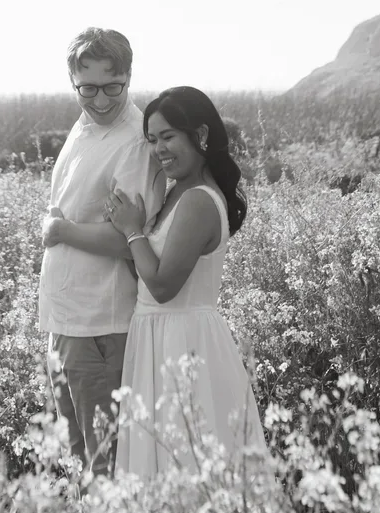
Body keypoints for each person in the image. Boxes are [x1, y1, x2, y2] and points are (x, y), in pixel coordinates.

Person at [104, 85, 266, 478]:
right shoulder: (179, 191)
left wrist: (131, 231)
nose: (159, 149)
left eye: (169, 137)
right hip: (160, 335)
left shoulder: (197, 200)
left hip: (182, 342)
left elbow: (162, 286)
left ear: (202, 136)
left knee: (187, 461)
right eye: (152, 140)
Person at [38, 27, 166, 475]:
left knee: (103, 463)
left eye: (114, 87)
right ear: (72, 81)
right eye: (87, 89)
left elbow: (127, 241)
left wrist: (59, 230)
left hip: (100, 323)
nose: (101, 100)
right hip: (65, 318)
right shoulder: (85, 126)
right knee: (78, 460)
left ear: (130, 76)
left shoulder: (134, 142)